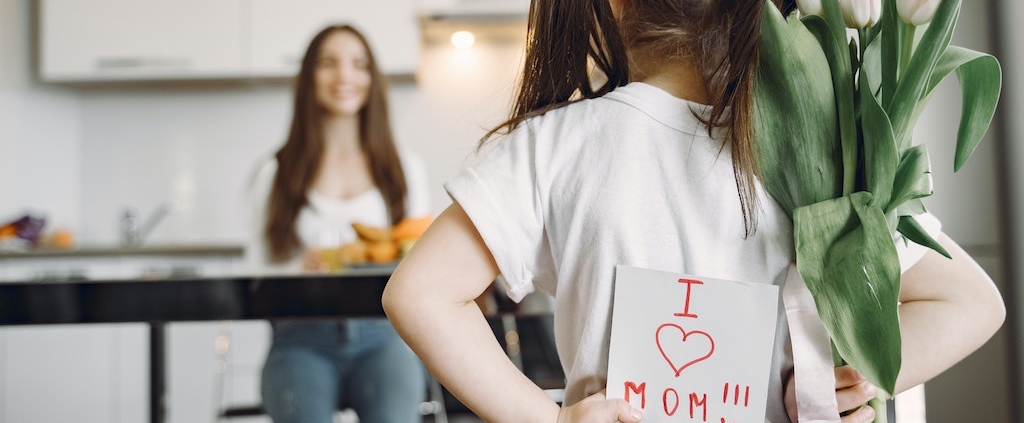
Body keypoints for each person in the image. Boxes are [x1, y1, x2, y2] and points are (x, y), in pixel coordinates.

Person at [381, 1, 1006, 423]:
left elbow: (419, 294)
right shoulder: (821, 153)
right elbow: (974, 303)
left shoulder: (556, 144)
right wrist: (860, 375)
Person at [244, 24, 429, 423]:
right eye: (329, 63)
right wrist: (297, 269)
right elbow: (255, 271)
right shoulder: (275, 172)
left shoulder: (404, 168)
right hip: (300, 338)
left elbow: (419, 260)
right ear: (309, 75)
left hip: (385, 335)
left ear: (372, 79)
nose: (344, 76)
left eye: (358, 64)